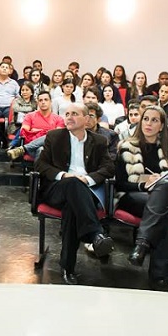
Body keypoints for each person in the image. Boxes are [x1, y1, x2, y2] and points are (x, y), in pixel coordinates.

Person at [33, 103, 115, 284]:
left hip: (85, 192)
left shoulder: (99, 141)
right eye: (67, 113)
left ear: (87, 120)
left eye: (75, 114)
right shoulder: (55, 137)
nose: (69, 117)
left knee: (72, 207)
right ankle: (95, 235)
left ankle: (67, 267)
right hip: (57, 189)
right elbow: (40, 165)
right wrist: (64, 175)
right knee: (72, 183)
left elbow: (109, 167)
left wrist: (89, 178)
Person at [115, 105, 168, 289]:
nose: (149, 123)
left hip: (166, 195)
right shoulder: (126, 147)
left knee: (164, 187)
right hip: (135, 196)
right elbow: (120, 183)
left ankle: (141, 244)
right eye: (146, 119)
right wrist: (144, 184)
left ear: (162, 126)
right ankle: (159, 275)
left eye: (154, 120)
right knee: (167, 208)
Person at [7, 91, 64, 161]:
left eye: (46, 100)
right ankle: (39, 171)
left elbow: (57, 136)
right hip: (32, 148)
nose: (43, 102)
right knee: (43, 146)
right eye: (40, 100)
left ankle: (23, 149)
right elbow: (24, 132)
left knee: (48, 139)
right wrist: (45, 132)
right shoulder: (29, 116)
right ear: (38, 103)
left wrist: (37, 131)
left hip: (51, 148)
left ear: (50, 102)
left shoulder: (59, 119)